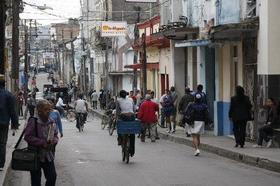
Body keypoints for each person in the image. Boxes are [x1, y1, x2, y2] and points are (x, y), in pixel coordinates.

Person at [24, 100, 58, 186]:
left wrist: (53, 141)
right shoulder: (33, 121)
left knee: (52, 177)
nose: (48, 111)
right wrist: (42, 143)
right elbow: (27, 136)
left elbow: (55, 135)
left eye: (49, 109)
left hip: (48, 156)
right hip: (36, 156)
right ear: (39, 111)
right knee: (36, 181)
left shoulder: (52, 122)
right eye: (46, 109)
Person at [0, 74, 19, 171]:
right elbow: (13, 111)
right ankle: (0, 164)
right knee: (2, 143)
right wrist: (15, 124)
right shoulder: (8, 95)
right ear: (4, 83)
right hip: (3, 123)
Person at [116, 90, 136, 157]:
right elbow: (134, 109)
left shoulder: (118, 100)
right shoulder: (131, 99)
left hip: (124, 117)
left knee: (118, 125)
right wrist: (134, 116)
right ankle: (132, 150)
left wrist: (117, 117)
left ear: (120, 95)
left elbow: (118, 111)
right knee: (132, 133)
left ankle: (119, 139)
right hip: (132, 116)